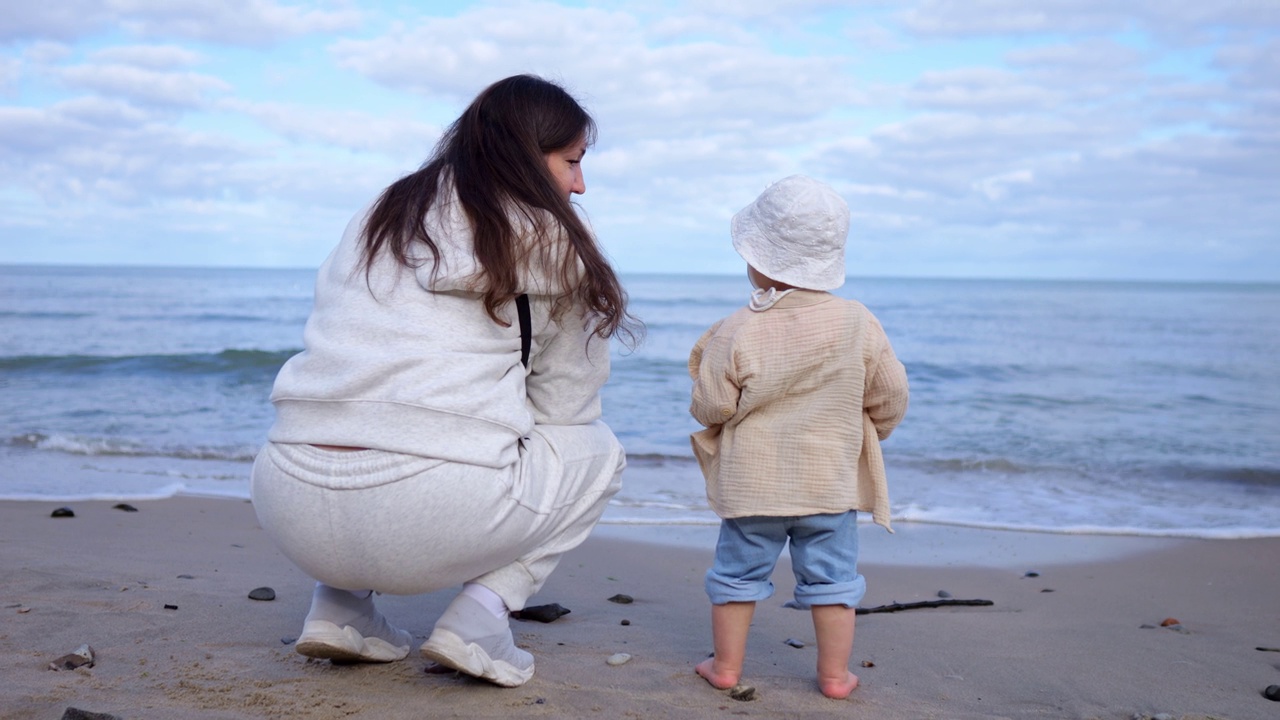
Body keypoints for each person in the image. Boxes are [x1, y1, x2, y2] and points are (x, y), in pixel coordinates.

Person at [250, 74, 637, 688]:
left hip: (285, 498)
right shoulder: (551, 239)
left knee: (374, 411)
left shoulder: (382, 212)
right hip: (431, 512)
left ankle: (341, 607)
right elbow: (567, 405)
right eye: (572, 161)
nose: (579, 183)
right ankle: (480, 619)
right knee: (598, 453)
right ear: (525, 153)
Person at [687, 175, 909, 699]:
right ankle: (833, 678)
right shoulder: (858, 322)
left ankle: (725, 667)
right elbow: (892, 394)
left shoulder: (735, 328)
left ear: (758, 261)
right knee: (833, 582)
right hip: (827, 484)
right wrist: (861, 433)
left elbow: (713, 404)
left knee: (737, 576)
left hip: (752, 485)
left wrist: (714, 415)